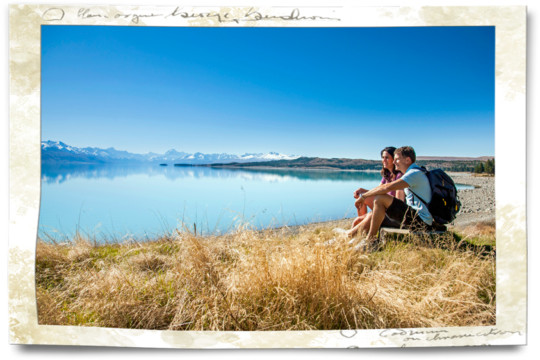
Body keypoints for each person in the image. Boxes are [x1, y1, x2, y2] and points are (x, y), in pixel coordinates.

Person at [351, 146, 434, 252]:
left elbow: (386, 188)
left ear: (407, 160)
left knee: (380, 199)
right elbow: (383, 188)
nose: (394, 162)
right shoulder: (412, 173)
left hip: (420, 221)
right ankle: (353, 237)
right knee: (375, 206)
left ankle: (370, 241)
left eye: (397, 159)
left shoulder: (414, 173)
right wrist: (364, 195)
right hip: (415, 216)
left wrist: (364, 196)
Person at [338, 147, 404, 238]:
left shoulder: (399, 176)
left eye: (387, 157)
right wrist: (363, 191)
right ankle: (363, 222)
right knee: (358, 217)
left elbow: (398, 202)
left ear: (394, 159)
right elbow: (378, 190)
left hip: (391, 210)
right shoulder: (387, 175)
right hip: (383, 206)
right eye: (382, 157)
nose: (384, 160)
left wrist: (366, 196)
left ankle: (350, 234)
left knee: (367, 201)